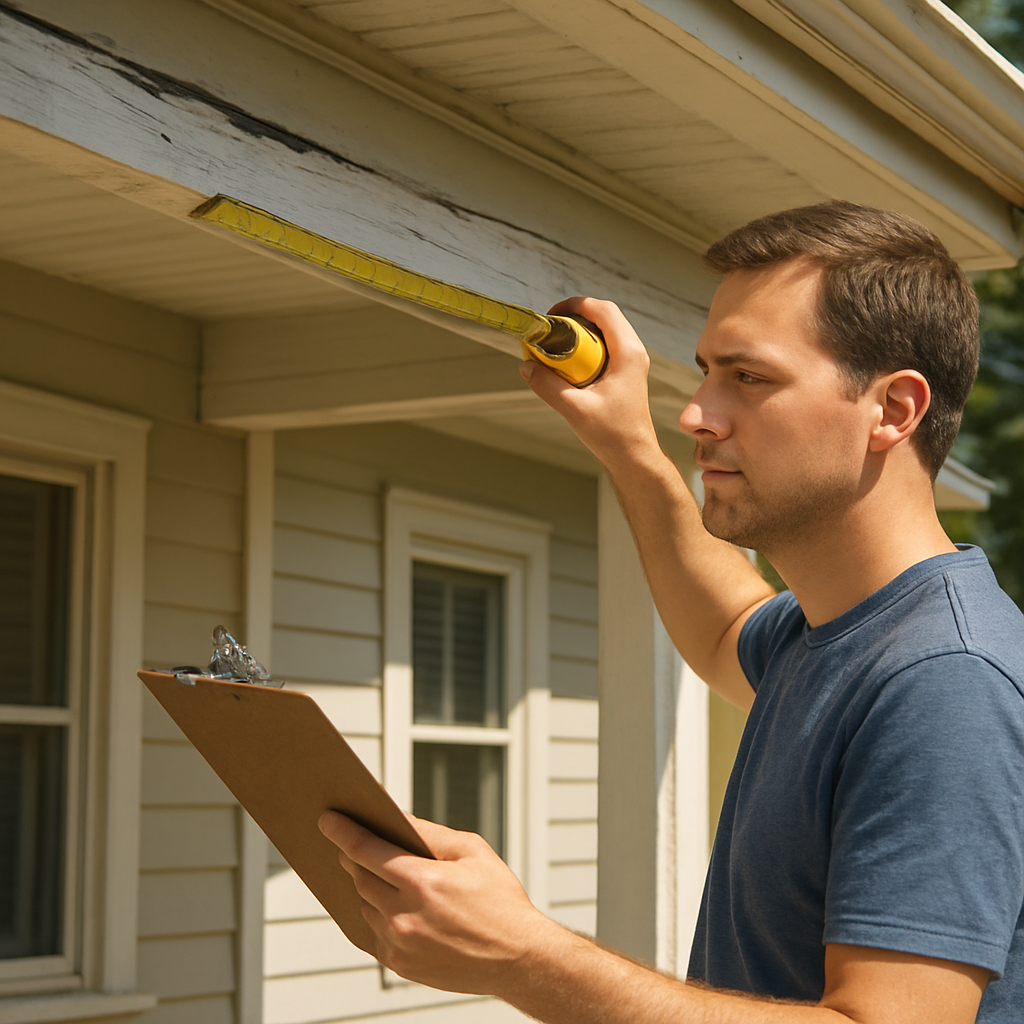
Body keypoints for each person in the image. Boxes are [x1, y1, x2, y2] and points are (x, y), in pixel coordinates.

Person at [319, 201, 1024, 1023]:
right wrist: (627, 442)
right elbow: (725, 626)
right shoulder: (831, 637)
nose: (696, 413)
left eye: (749, 377)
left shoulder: (946, 681)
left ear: (893, 410)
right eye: (705, 372)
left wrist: (520, 955)